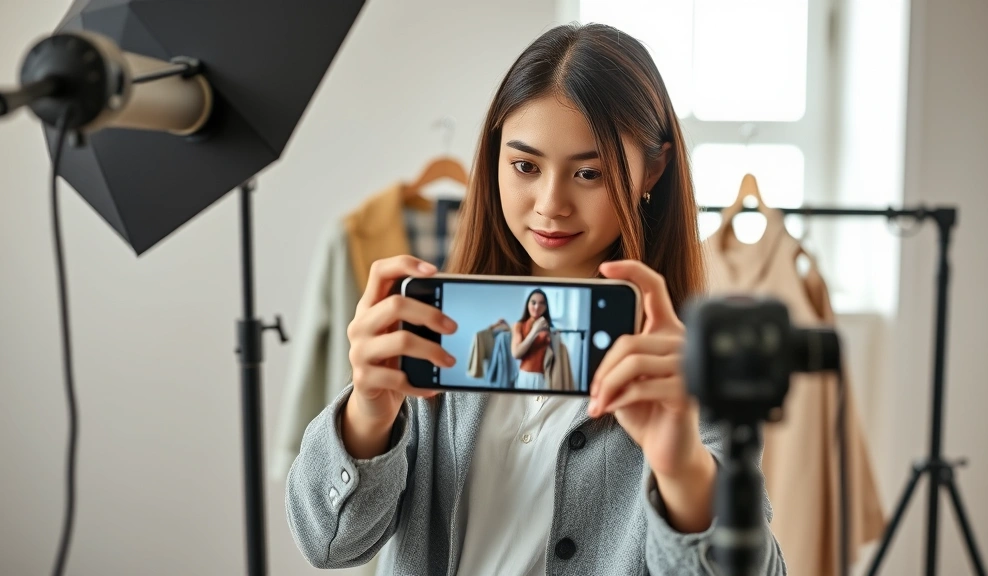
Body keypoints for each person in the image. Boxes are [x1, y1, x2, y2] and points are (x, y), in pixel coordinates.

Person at [285, 22, 786, 576]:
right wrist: (367, 413)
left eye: (590, 172)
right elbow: (328, 545)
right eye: (525, 166)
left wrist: (682, 468)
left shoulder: (685, 369)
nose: (551, 204)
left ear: (656, 168)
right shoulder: (438, 336)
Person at [512, 289, 552, 390]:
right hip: (525, 376)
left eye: (542, 303)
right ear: (527, 304)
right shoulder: (519, 326)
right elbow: (516, 353)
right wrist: (534, 331)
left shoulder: (550, 328)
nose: (537, 307)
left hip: (545, 378)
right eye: (533, 302)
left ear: (546, 307)